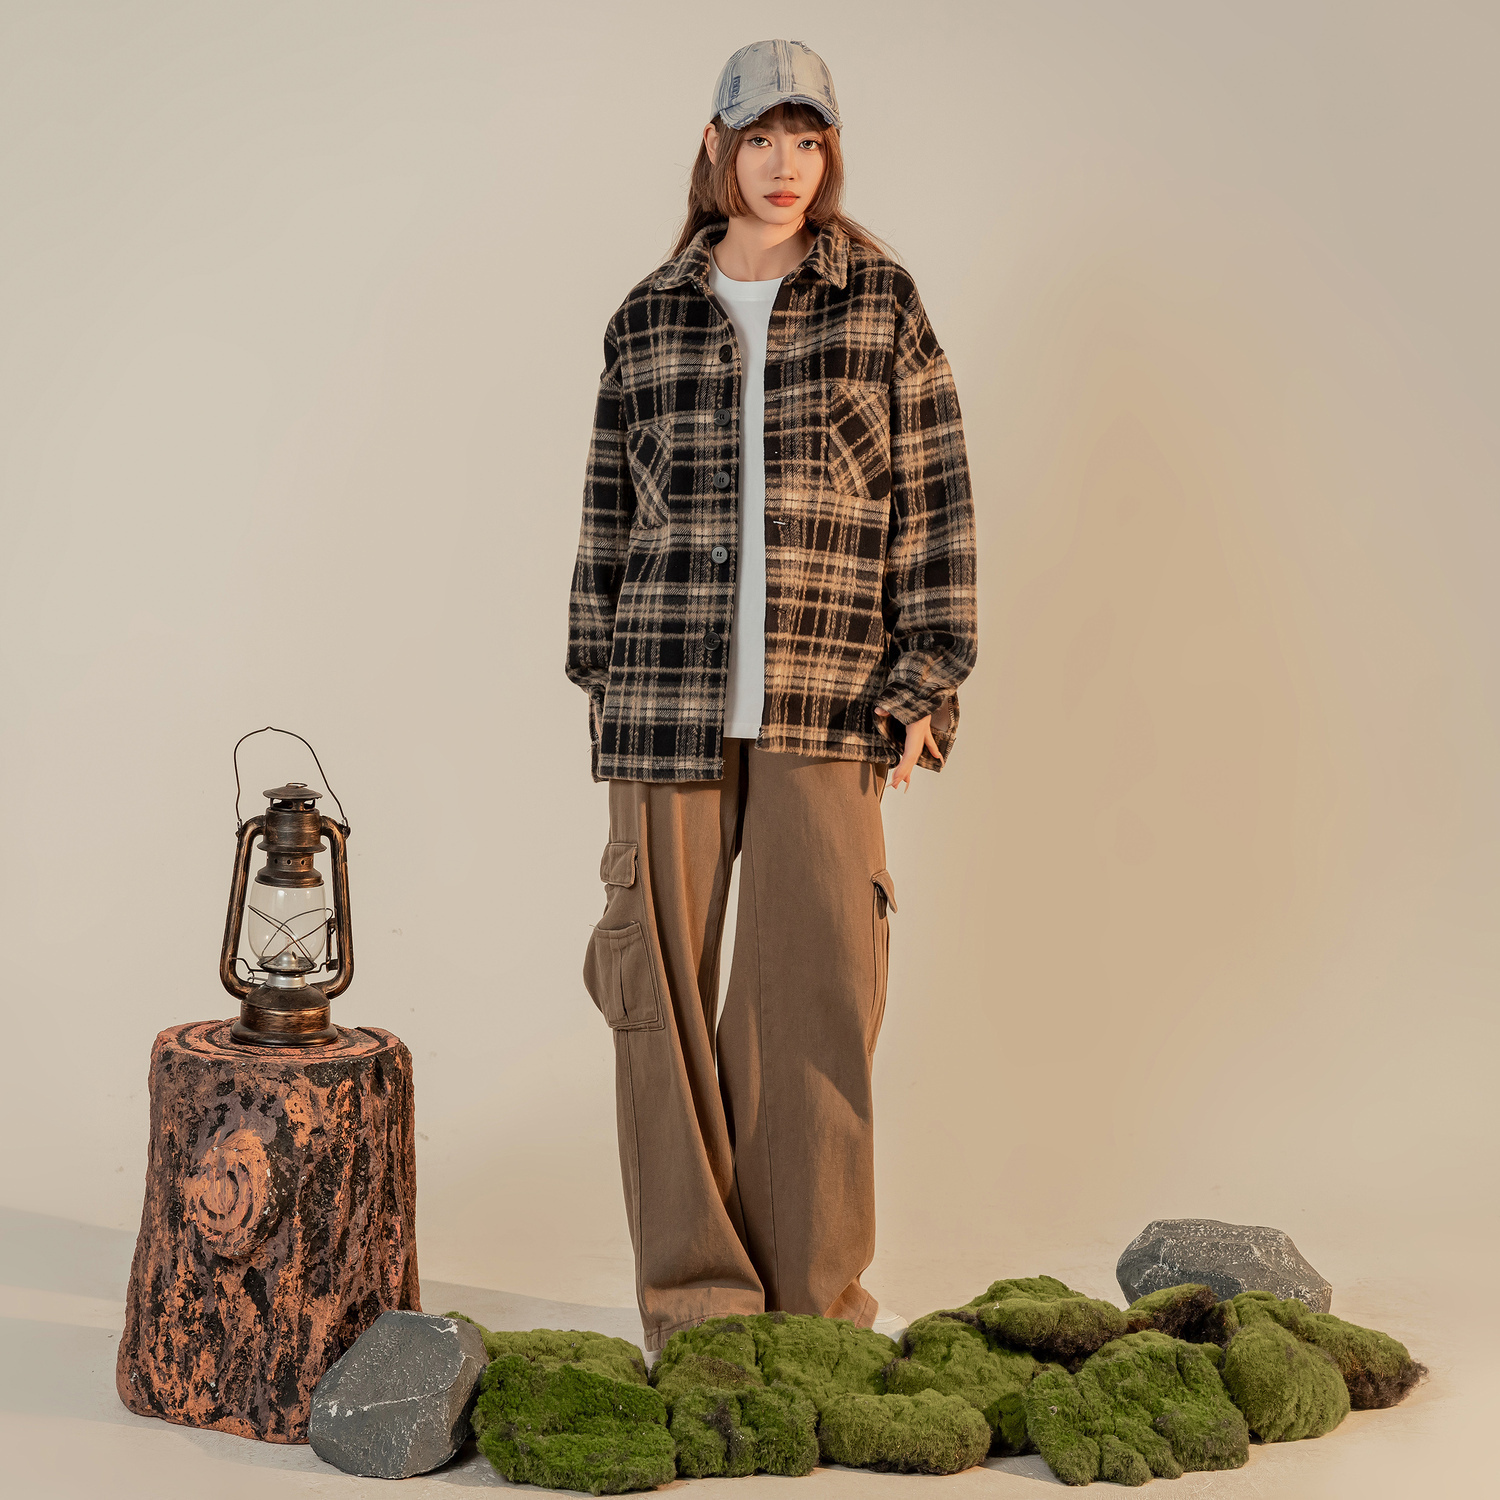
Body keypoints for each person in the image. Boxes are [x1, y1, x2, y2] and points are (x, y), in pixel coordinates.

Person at [565, 38, 978, 1355]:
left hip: (828, 698)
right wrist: (602, 682)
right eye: (760, 139)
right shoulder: (647, 316)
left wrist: (927, 679)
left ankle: (814, 1312)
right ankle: (696, 1311)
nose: (785, 165)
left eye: (807, 139)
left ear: (828, 151)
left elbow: (935, 501)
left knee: (820, 999)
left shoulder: (882, 303)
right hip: (665, 703)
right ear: (717, 147)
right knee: (661, 1008)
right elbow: (606, 523)